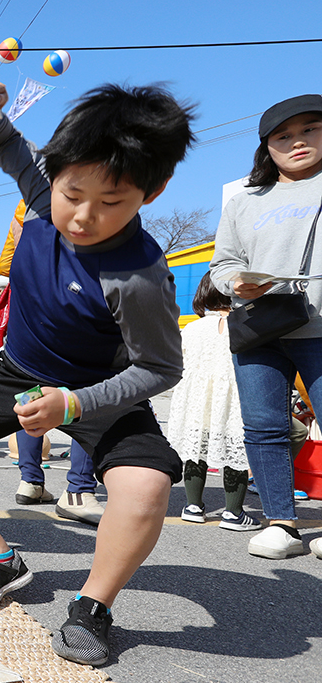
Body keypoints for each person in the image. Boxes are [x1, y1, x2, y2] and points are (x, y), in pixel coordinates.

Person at [0, 76, 195, 666]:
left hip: (100, 392)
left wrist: (74, 403)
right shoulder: (43, 194)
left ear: (153, 191)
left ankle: (93, 605)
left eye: (111, 202)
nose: (82, 217)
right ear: (56, 173)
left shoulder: (138, 276)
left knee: (146, 489)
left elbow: (161, 368)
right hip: (18, 372)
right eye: (72, 192)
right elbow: (2, 143)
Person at [209, 93, 322, 559]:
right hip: (260, 327)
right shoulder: (243, 201)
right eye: (283, 135)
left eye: (310, 129)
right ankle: (282, 523)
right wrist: (237, 282)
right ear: (266, 147)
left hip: (318, 325)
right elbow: (223, 264)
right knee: (263, 427)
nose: (297, 141)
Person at [0, 201, 105, 525]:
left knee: (33, 393)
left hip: (28, 316)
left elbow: (6, 264)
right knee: (84, 395)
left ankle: (30, 481)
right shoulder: (88, 198)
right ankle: (80, 491)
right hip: (75, 306)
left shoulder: (25, 203)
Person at [167, 274, 259, 532]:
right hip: (232, 396)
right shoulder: (247, 324)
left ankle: (193, 506)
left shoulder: (193, 328)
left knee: (196, 447)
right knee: (233, 449)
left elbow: (179, 362)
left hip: (196, 398)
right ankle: (234, 512)